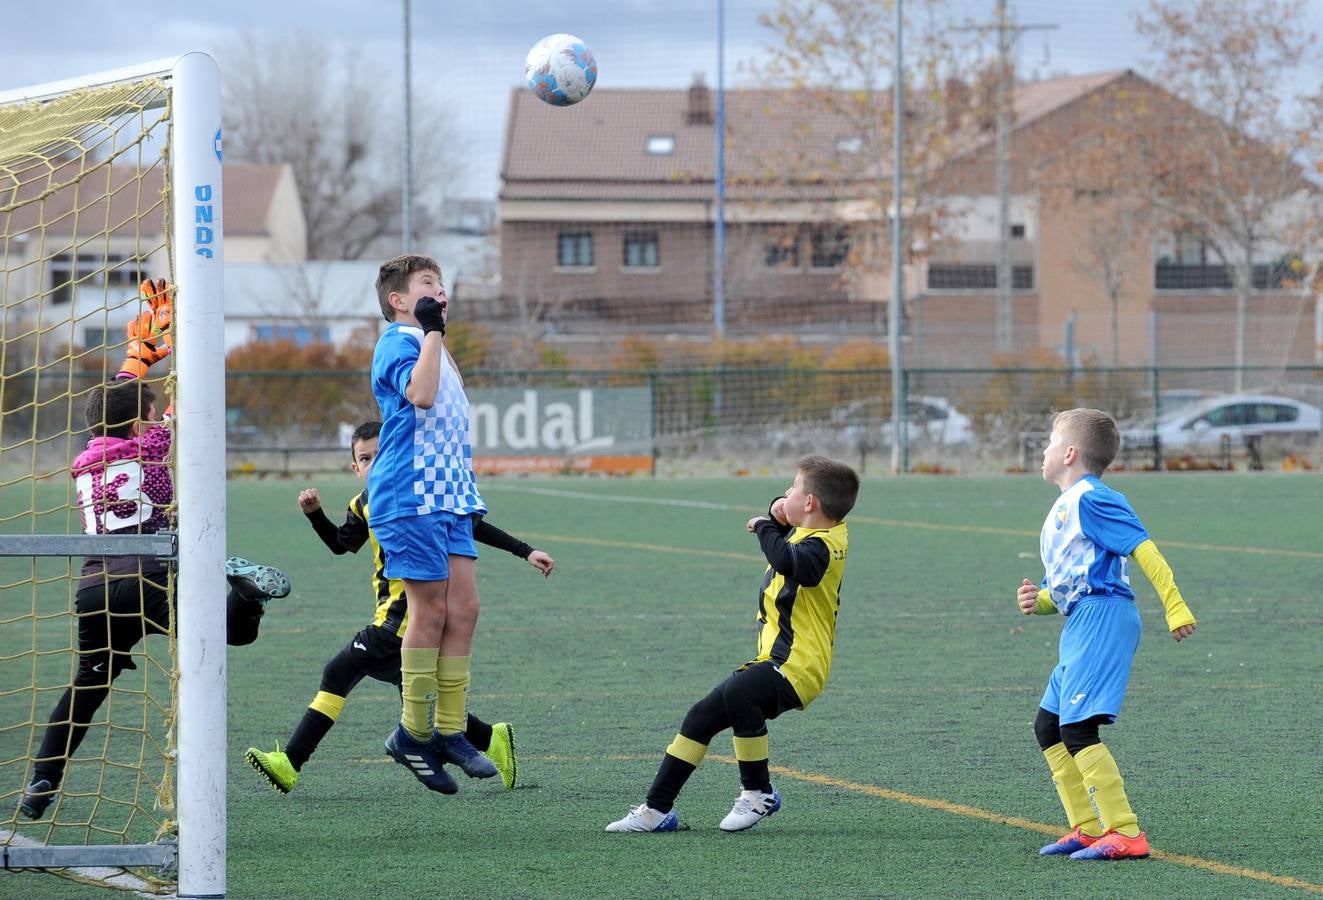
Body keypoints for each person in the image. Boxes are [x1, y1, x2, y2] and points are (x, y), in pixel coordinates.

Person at [18, 279, 290, 820]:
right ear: (140, 419)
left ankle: (41, 781)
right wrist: (186, 345)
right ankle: (248, 594)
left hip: (95, 588)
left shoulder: (85, 454)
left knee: (86, 688)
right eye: (147, 409)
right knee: (231, 631)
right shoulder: (155, 442)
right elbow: (180, 411)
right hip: (152, 577)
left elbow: (118, 402)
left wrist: (136, 358)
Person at [244, 420, 554, 794]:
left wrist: (526, 551)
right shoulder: (361, 504)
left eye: (381, 453)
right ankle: (492, 739)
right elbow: (342, 544)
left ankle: (290, 763)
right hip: (391, 617)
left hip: (405, 622)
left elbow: (471, 526)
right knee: (417, 695)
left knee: (339, 671)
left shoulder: (420, 497)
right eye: (364, 458)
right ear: (355, 468)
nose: (374, 463)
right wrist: (315, 515)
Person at [606, 455, 860, 833]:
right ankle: (656, 811)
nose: (786, 492)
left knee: (741, 695)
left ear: (810, 504)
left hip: (798, 666)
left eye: (793, 487)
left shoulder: (822, 545)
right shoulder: (813, 528)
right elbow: (787, 522)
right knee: (701, 716)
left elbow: (791, 561)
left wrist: (764, 526)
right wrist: (778, 510)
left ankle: (758, 792)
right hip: (775, 658)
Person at [1018, 408, 1197, 861]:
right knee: (1048, 727)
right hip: (1082, 620)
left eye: (1051, 441)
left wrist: (1174, 606)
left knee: (1077, 728)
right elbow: (1075, 576)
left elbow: (1145, 551)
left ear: (1071, 452)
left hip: (1104, 617)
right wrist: (1039, 600)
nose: (1044, 449)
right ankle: (1090, 827)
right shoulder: (1066, 504)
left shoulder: (1095, 498)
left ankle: (1125, 832)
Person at [368, 254, 494, 791]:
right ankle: (413, 733)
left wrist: (437, 336)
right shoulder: (399, 343)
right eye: (427, 283)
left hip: (451, 496)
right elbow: (419, 396)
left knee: (464, 608)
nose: (440, 290)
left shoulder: (434, 344)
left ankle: (448, 730)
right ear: (399, 300)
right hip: (410, 496)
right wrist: (433, 334)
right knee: (431, 608)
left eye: (441, 284)